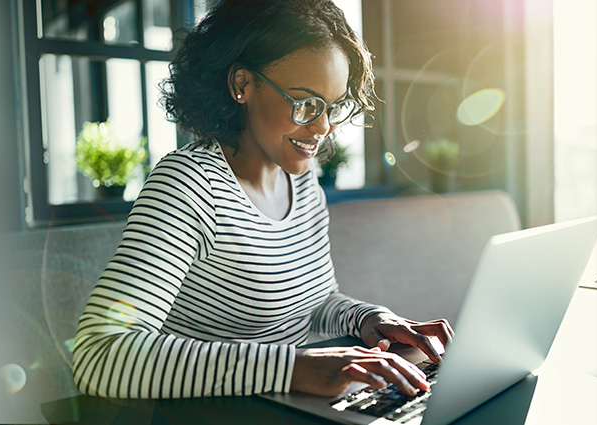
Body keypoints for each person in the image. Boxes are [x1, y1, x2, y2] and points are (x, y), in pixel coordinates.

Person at [69, 0, 453, 399]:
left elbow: (314, 301)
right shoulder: (188, 186)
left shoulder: (302, 183)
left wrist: (369, 318)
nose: (323, 127)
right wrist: (293, 369)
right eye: (306, 103)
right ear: (242, 85)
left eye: (333, 106)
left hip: (288, 408)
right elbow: (99, 353)